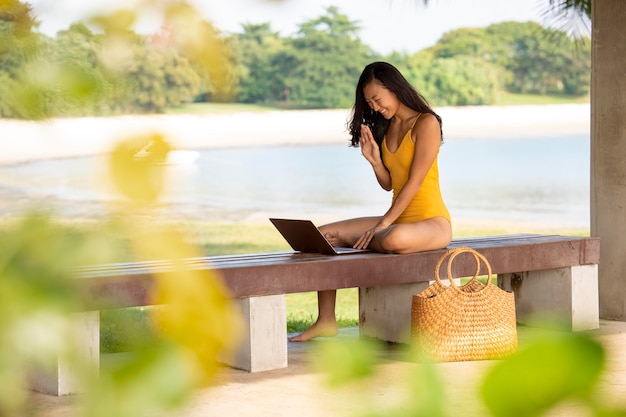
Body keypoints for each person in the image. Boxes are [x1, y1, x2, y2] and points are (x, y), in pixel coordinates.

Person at [289, 61, 452, 342]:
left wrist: (383, 224)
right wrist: (375, 160)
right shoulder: (388, 128)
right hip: (397, 219)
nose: (374, 106)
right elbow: (390, 183)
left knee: (393, 239)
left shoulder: (426, 123)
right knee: (323, 235)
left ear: (396, 88)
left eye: (377, 98)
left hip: (431, 222)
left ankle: (358, 239)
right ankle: (326, 319)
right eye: (369, 102)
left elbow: (413, 183)